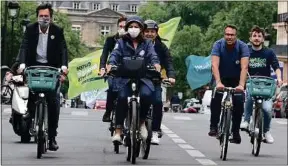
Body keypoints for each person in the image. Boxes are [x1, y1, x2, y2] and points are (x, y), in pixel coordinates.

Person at [10, 3, 68, 151]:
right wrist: (22, 63)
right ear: (37, 17)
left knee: (53, 101)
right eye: (41, 16)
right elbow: (24, 46)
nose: (43, 19)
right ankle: (29, 118)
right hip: (33, 66)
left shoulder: (57, 30)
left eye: (46, 16)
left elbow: (63, 49)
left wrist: (64, 67)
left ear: (51, 18)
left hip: (52, 68)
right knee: (31, 96)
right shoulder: (30, 29)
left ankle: (52, 137)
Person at [106, 16, 161, 143]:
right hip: (124, 77)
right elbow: (114, 54)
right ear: (126, 28)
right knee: (122, 98)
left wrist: (156, 64)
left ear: (141, 29)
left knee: (147, 95)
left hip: (143, 77)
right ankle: (118, 131)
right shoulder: (121, 42)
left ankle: (141, 123)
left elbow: (153, 55)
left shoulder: (147, 43)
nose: (133, 29)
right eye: (131, 26)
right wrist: (110, 64)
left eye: (136, 27)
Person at [240, 26, 283, 144]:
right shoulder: (246, 52)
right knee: (249, 97)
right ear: (250, 38)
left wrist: (279, 78)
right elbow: (241, 66)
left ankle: (267, 131)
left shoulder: (269, 52)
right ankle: (246, 121)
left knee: (267, 109)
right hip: (251, 83)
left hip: (265, 86)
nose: (257, 38)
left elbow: (276, 67)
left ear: (263, 39)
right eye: (254, 36)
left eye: (259, 36)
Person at [209, 25, 250, 144]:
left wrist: (241, 85)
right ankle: (214, 126)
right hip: (220, 77)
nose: (229, 37)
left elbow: (244, 67)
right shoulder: (218, 45)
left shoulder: (243, 47)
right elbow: (215, 65)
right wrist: (218, 82)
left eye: (232, 35)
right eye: (227, 34)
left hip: (237, 79)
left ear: (236, 36)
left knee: (239, 102)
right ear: (224, 35)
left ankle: (235, 132)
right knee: (216, 97)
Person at [143, 19, 176, 145]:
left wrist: (171, 75)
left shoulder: (162, 47)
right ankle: (129, 125)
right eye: (147, 31)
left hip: (155, 80)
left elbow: (168, 63)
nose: (149, 34)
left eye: (152, 31)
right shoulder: (138, 44)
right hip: (139, 78)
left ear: (156, 33)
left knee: (157, 102)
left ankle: (155, 131)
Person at [99, 16, 127, 122]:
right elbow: (104, 54)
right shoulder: (111, 40)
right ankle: (108, 111)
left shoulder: (133, 40)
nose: (122, 29)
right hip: (114, 69)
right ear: (117, 27)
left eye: (125, 26)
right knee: (112, 88)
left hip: (129, 69)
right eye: (120, 26)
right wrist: (102, 68)